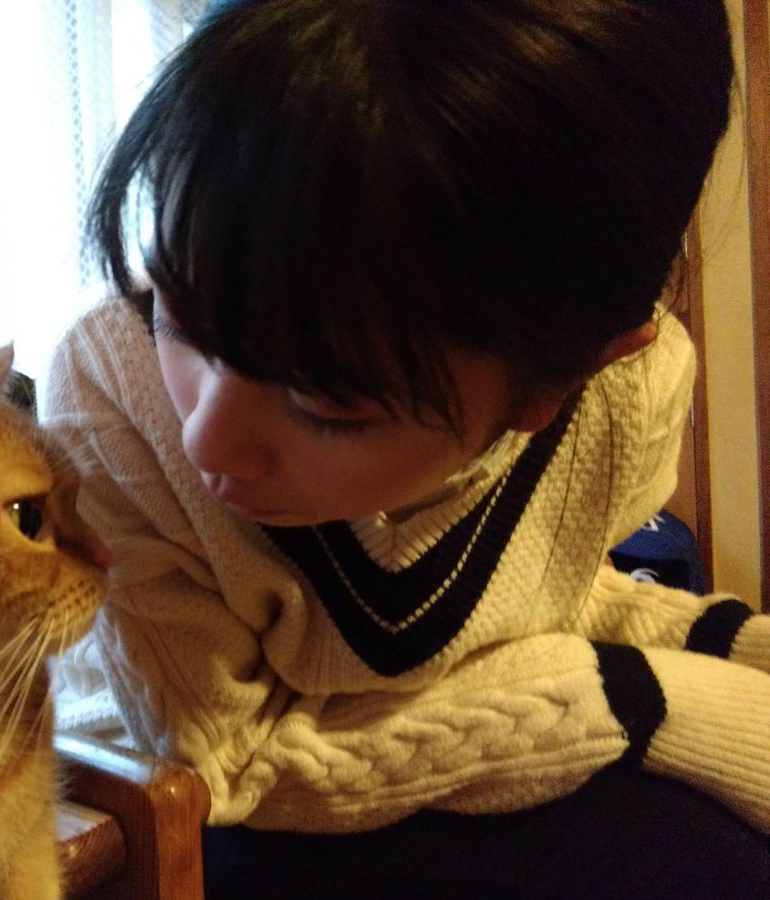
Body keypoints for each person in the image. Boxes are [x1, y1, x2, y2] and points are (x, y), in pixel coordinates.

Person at [46, 1, 770, 895]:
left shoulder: (629, 396)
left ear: (557, 384)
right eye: (179, 316)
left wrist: (736, 647)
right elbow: (224, 761)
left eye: (327, 406)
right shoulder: (110, 387)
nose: (206, 439)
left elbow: (532, 603)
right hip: (182, 805)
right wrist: (649, 703)